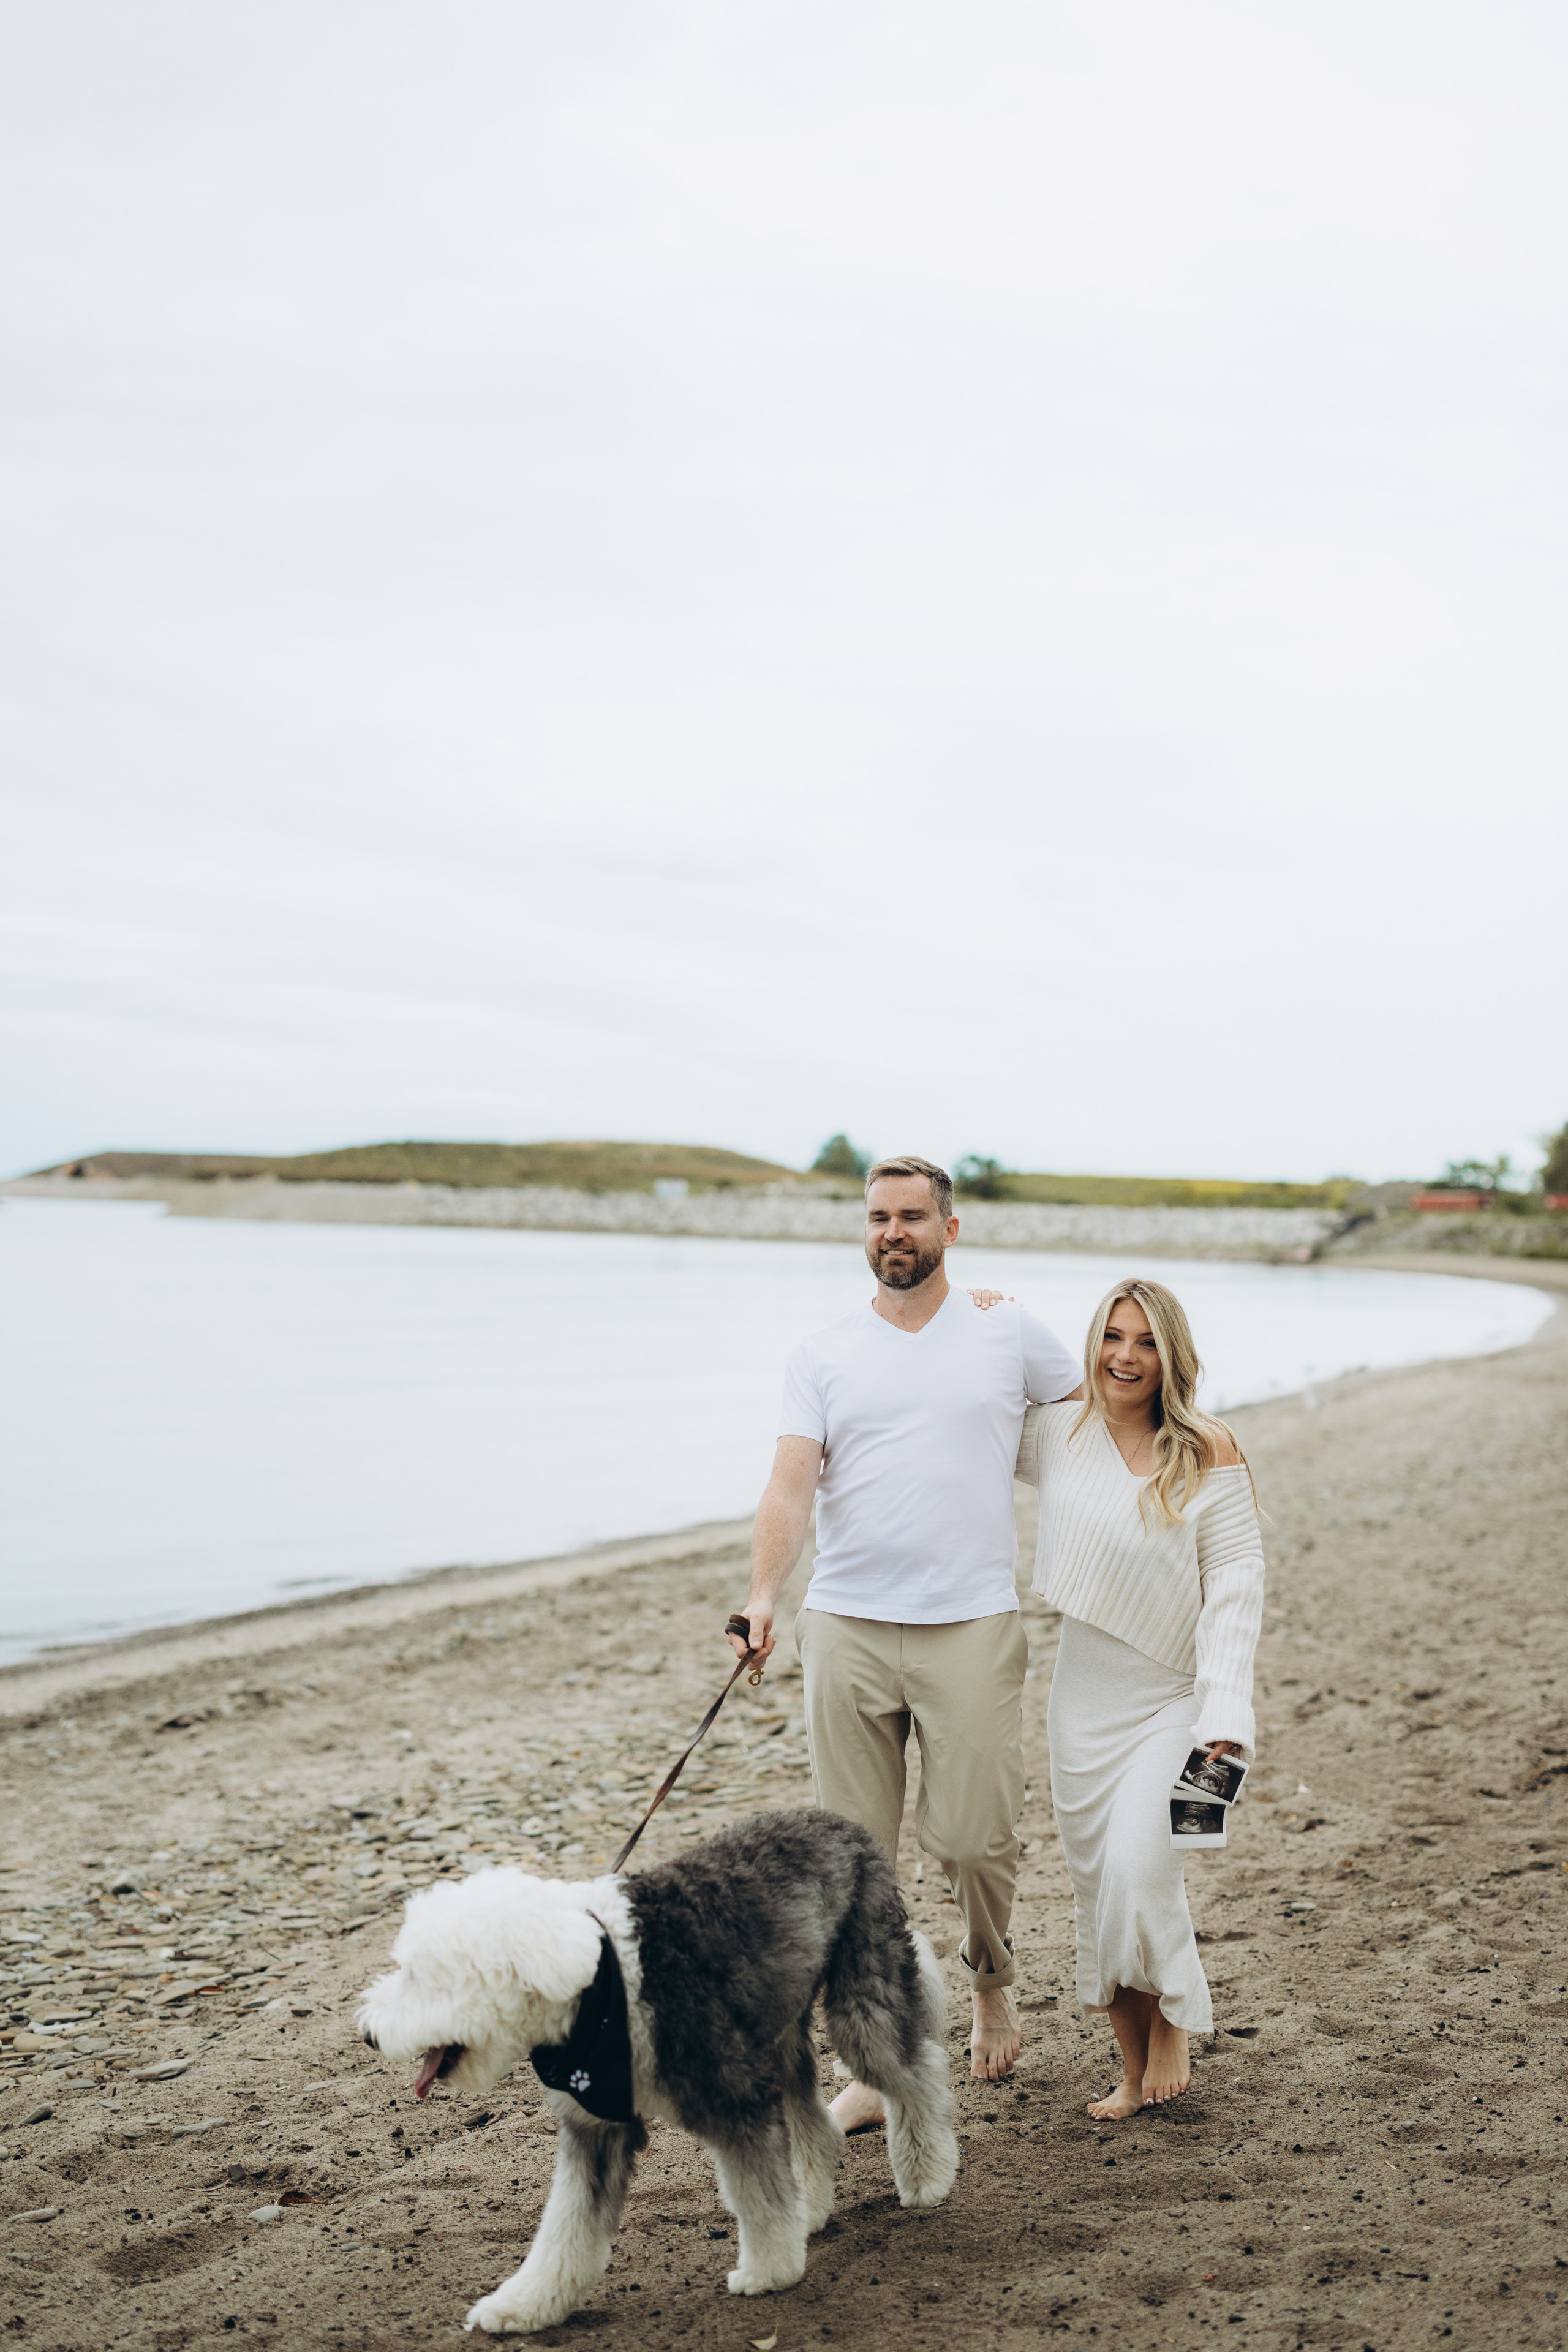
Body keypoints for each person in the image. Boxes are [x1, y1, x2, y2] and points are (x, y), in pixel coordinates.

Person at [729, 1155, 1082, 2127]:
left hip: (969, 1622)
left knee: (975, 1841)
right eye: (879, 1216)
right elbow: (791, 1484)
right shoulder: (825, 1352)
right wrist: (764, 1596)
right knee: (854, 1863)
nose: (894, 1231)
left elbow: (1096, 1415)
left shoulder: (1008, 1329)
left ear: (950, 1230)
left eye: (913, 1216)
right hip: (844, 1624)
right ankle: (876, 2063)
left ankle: (990, 1979)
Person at [1011, 1276, 1265, 2119]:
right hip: (1081, 1702)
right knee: (1101, 1888)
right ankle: (1130, 2066)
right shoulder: (1054, 1433)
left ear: (1173, 1355)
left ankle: (1178, 2024)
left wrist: (1228, 1720)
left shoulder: (1210, 1447)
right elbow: (952, 1428)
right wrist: (971, 1311)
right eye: (1113, 1337)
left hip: (1184, 1699)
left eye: (1146, 1341)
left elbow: (1236, 1589)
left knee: (1145, 1864)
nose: (1126, 1356)